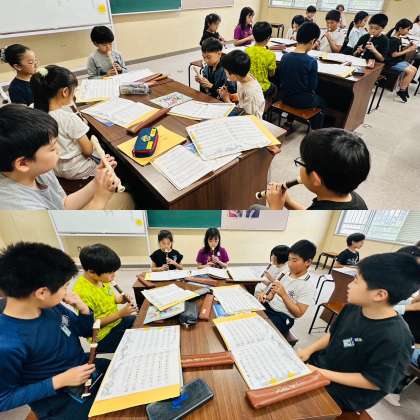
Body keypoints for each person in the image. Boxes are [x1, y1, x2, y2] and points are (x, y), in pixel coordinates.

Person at [298, 252, 420, 411]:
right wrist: (308, 350)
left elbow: (374, 381)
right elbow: (333, 334)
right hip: (323, 367)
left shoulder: (397, 338)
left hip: (345, 393)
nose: (349, 285)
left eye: (356, 280)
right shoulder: (353, 307)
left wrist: (321, 373)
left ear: (379, 294)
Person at [0, 242, 109, 418]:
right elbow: (3, 399)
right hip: (59, 399)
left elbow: (86, 331)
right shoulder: (7, 343)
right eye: (65, 286)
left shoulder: (51, 306)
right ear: (42, 293)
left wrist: (84, 310)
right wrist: (59, 380)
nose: (67, 291)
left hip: (84, 368)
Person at [0, 105, 133, 210]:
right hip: (66, 233)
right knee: (126, 201)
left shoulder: (37, 170)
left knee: (125, 198)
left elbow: (63, 205)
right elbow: (72, 231)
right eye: (52, 148)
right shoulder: (21, 207)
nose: (58, 149)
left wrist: (97, 180)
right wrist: (100, 199)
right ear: (22, 163)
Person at [265, 128, 370, 210]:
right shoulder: (354, 198)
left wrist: (275, 209)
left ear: (315, 179)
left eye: (303, 161)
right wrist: (288, 202)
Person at [31, 65, 98, 180]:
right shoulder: (69, 118)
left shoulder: (32, 111)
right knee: (106, 154)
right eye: (74, 90)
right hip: (77, 169)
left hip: (54, 167)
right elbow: (88, 151)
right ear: (65, 92)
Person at [73, 244, 137, 354]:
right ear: (91, 271)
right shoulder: (82, 293)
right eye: (110, 272)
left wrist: (119, 299)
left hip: (117, 322)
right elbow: (90, 326)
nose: (114, 275)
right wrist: (120, 314)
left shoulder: (102, 279)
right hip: (103, 337)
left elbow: (106, 299)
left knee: (141, 322)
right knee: (135, 342)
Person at [256, 240, 316, 335]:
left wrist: (284, 295)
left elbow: (298, 313)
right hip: (268, 307)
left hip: (283, 317)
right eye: (289, 259)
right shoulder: (285, 273)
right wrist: (265, 295)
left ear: (308, 262)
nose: (290, 264)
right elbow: (271, 295)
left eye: (294, 260)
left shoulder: (308, 285)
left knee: (260, 330)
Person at [276, 22, 324, 133]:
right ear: (312, 41)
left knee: (296, 90)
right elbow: (312, 86)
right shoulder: (311, 61)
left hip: (284, 97)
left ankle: (288, 123)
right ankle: (316, 132)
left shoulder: (285, 57)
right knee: (322, 102)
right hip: (301, 101)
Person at [219, 50, 265, 119]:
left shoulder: (251, 92)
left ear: (234, 75)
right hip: (242, 111)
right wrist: (232, 96)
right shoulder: (242, 78)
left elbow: (247, 117)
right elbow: (242, 96)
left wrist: (226, 100)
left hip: (250, 121)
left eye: (226, 72)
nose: (225, 74)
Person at [386, 19, 418, 103]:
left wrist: (408, 47)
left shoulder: (397, 38)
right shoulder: (394, 40)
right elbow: (394, 55)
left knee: (414, 69)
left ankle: (404, 87)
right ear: (400, 28)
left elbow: (399, 50)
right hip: (391, 62)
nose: (408, 31)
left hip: (396, 60)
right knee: (411, 71)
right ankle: (402, 90)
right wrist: (409, 50)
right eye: (407, 29)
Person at [246, 21, 277, 99]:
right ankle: (267, 104)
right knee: (275, 87)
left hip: (248, 86)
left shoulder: (247, 51)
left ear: (253, 35)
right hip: (263, 88)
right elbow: (271, 74)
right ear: (268, 38)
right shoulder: (270, 54)